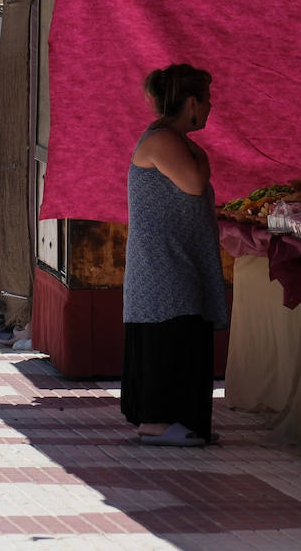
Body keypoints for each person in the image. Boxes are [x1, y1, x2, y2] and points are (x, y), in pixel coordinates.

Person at [121, 64, 228, 447]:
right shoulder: (163, 140)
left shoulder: (176, 140)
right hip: (162, 264)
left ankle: (183, 419)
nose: (211, 107)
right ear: (191, 103)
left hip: (177, 258)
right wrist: (203, 157)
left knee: (185, 334)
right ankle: (156, 421)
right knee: (169, 336)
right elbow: (195, 183)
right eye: (207, 99)